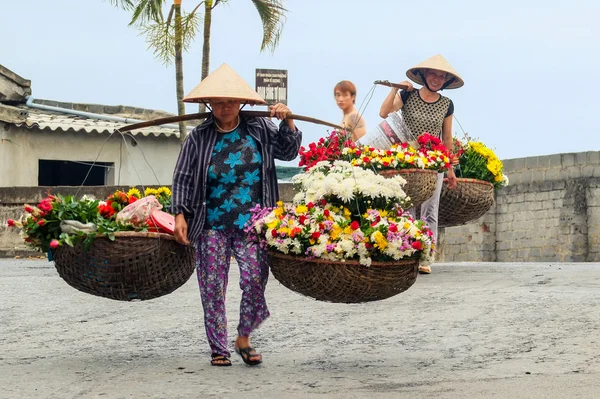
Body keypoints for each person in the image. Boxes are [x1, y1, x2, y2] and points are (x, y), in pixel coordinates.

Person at [171, 63, 302, 367]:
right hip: (210, 224)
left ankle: (244, 336)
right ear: (210, 105)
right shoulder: (199, 138)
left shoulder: (259, 129)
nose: (226, 107)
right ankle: (218, 347)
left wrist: (288, 121)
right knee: (212, 285)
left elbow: (288, 151)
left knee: (255, 279)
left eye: (231, 101)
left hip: (254, 223)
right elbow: (183, 177)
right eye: (219, 102)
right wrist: (179, 214)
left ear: (241, 104)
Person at [379, 54, 463, 274]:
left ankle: (425, 256)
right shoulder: (408, 95)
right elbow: (384, 112)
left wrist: (450, 169)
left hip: (433, 162)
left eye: (441, 76)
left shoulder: (447, 104)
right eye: (433, 74)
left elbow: (447, 138)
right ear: (424, 75)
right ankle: (405, 253)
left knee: (429, 208)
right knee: (406, 206)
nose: (436, 79)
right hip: (407, 160)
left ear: (445, 80)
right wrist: (395, 90)